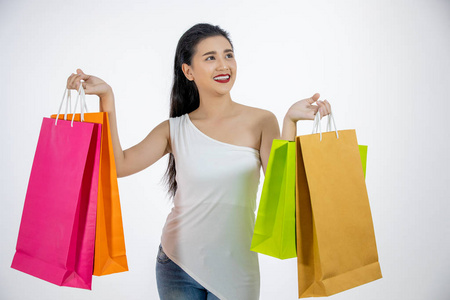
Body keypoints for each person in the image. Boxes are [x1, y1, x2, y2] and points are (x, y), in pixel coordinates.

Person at [66, 23, 331, 300]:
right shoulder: (174, 129)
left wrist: (290, 123)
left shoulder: (262, 121)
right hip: (177, 264)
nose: (223, 65)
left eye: (228, 55)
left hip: (237, 266)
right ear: (188, 71)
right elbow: (118, 165)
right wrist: (107, 98)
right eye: (210, 57)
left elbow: (281, 190)